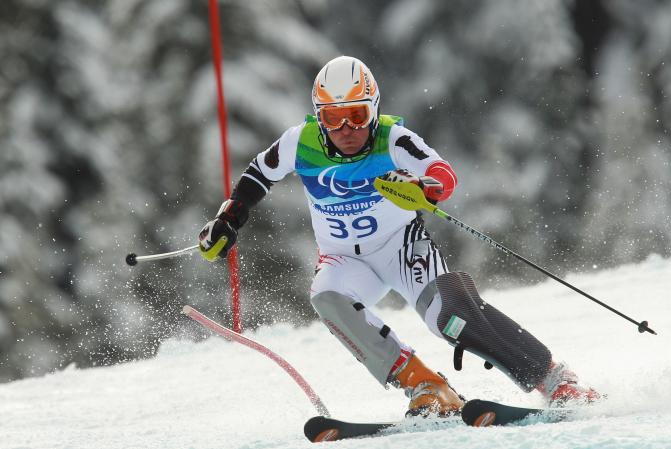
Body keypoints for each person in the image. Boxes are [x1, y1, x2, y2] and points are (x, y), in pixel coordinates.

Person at [198, 56, 598, 417]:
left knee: (452, 318)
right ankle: (426, 386)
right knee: (327, 298)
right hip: (345, 260)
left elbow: (443, 173)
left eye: (357, 114)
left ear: (373, 109)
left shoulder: (392, 139)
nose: (346, 128)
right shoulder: (298, 142)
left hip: (402, 250)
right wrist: (229, 218)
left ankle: (555, 379)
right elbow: (257, 175)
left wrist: (424, 187)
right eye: (334, 118)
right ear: (319, 116)